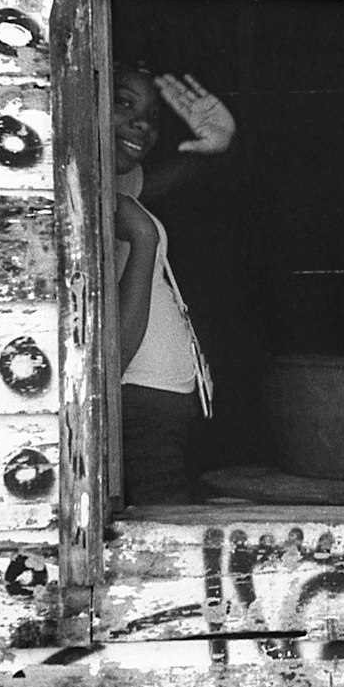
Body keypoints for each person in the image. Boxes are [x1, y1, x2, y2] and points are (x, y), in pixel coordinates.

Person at [112, 63, 235, 504]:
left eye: (152, 115)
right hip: (139, 420)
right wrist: (144, 242)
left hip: (158, 416)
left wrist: (216, 145)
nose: (143, 123)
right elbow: (111, 359)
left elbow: (169, 179)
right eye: (124, 102)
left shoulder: (117, 186)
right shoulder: (88, 199)